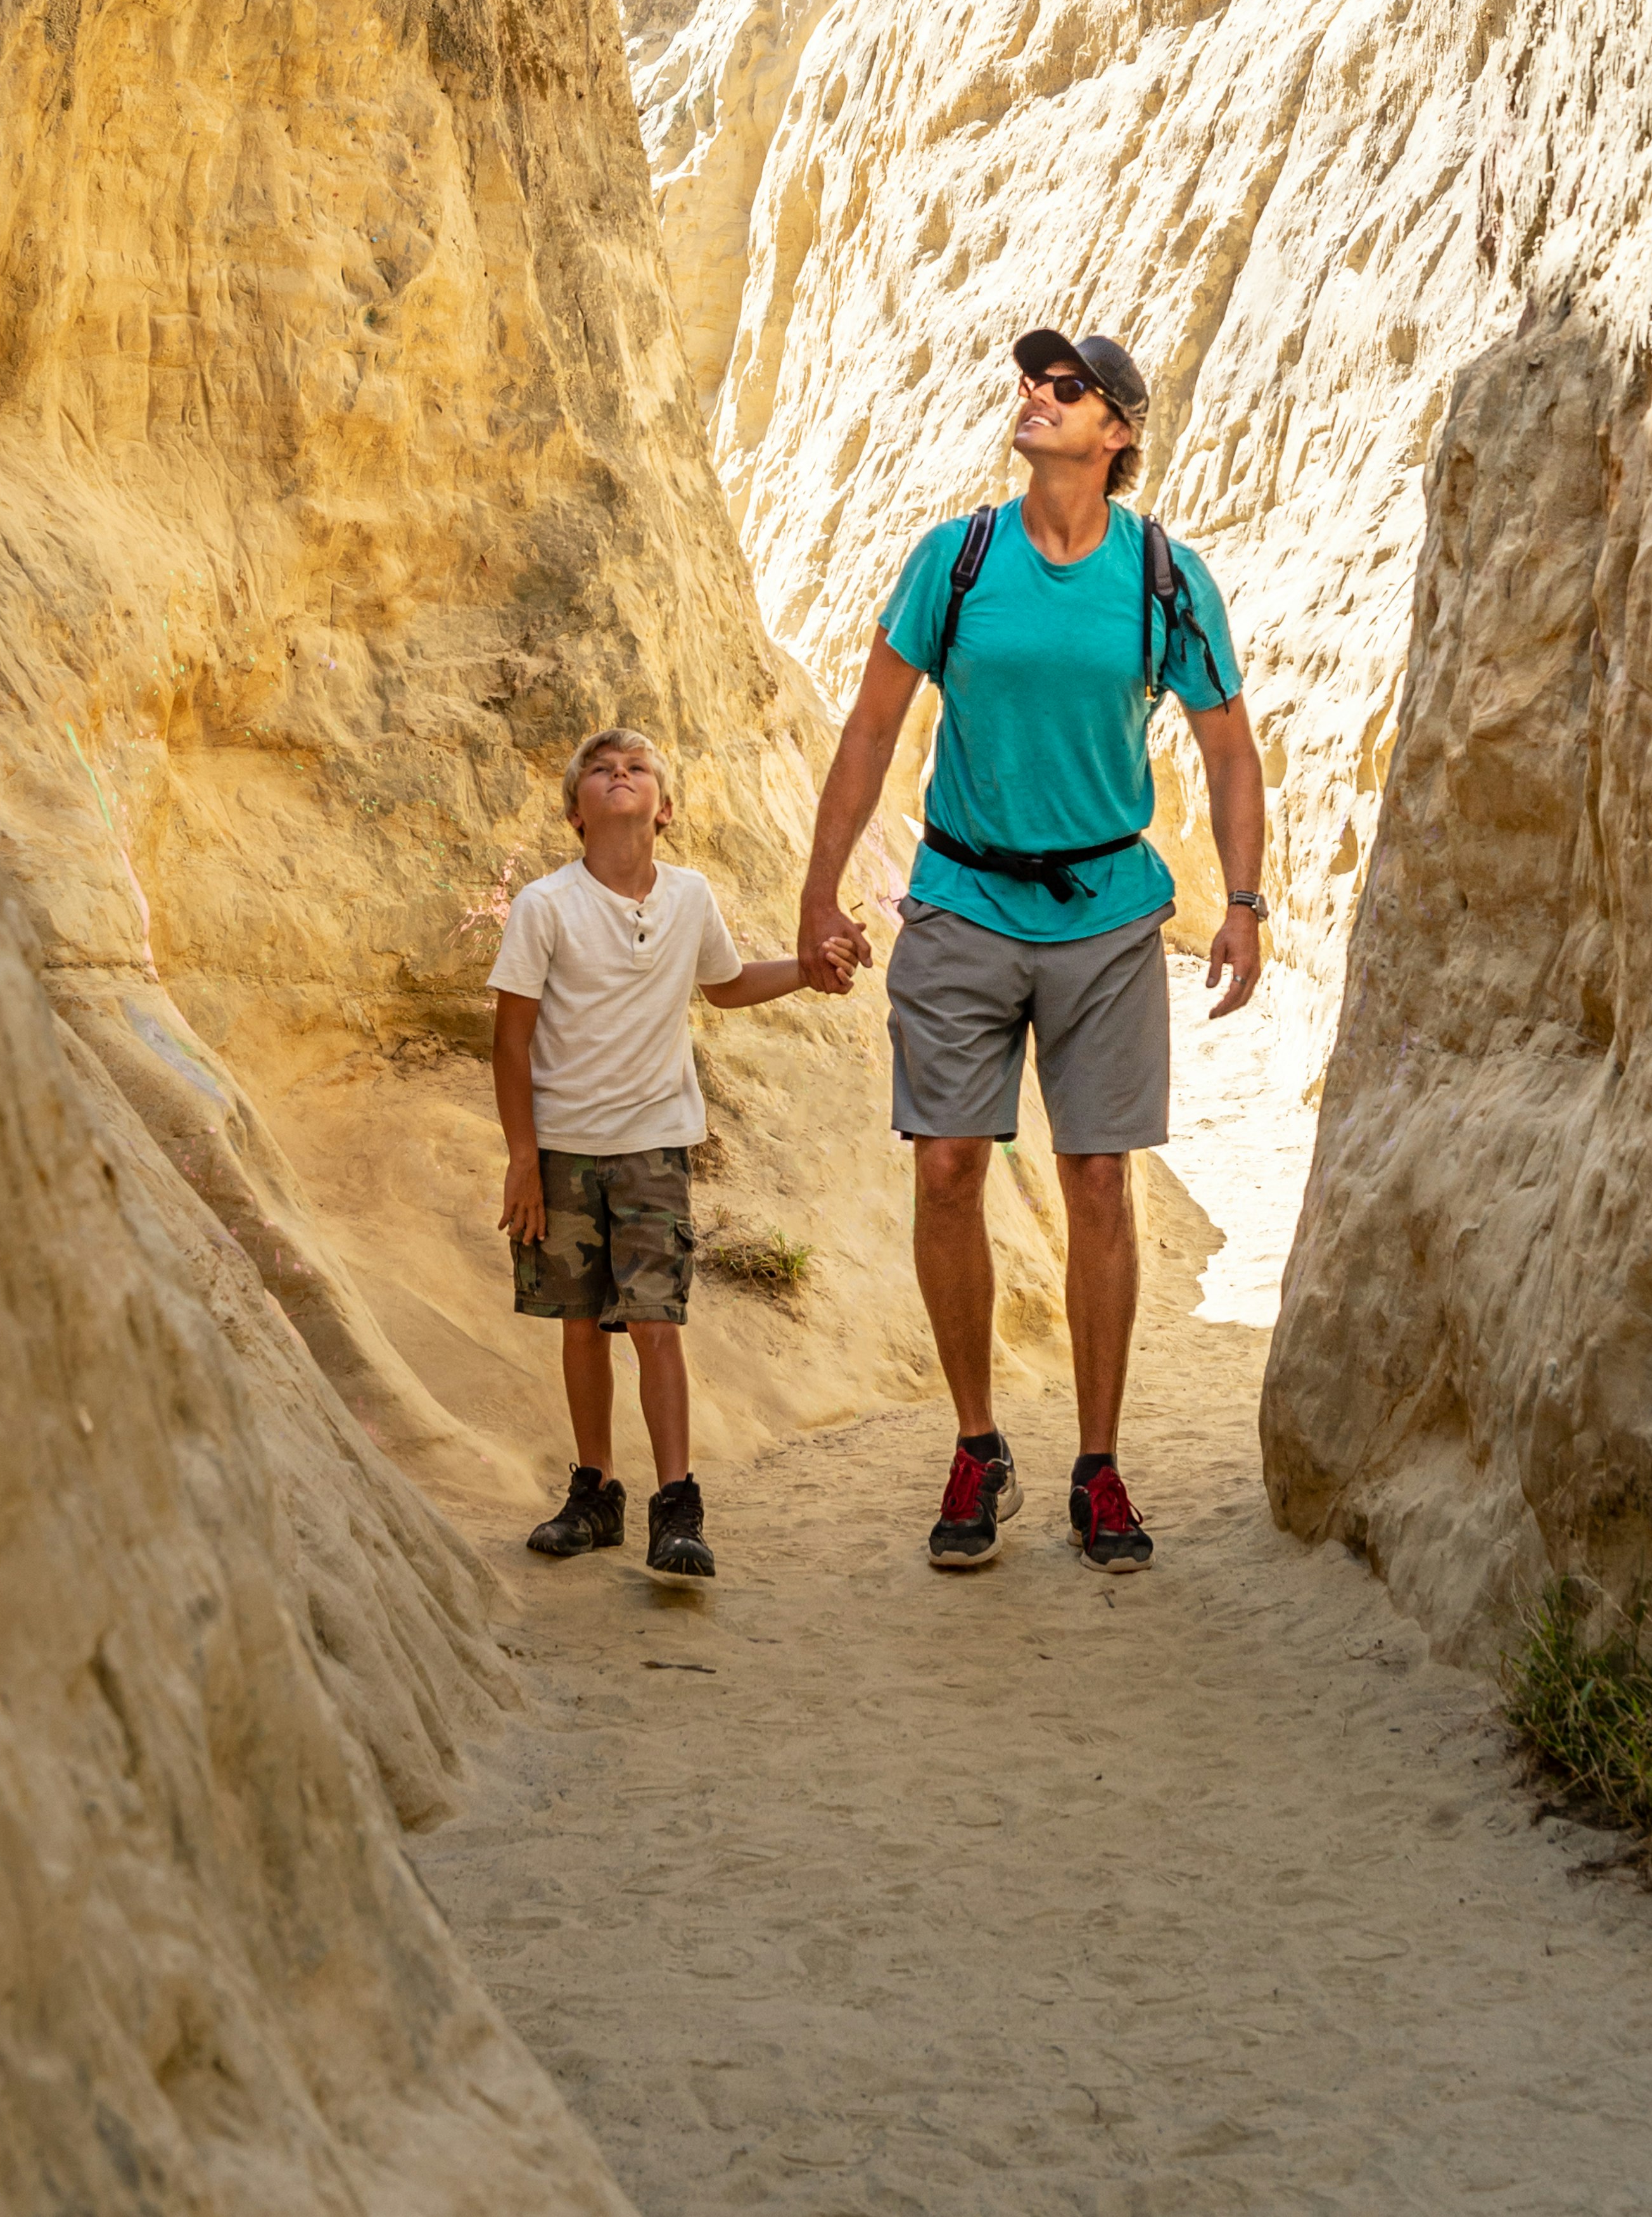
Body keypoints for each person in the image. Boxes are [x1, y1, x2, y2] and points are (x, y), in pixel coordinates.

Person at [799, 326, 1267, 1573]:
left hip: (1110, 912)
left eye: (1066, 388)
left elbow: (1228, 745)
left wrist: (1247, 899)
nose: (1035, 397)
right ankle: (975, 1441)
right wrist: (818, 887)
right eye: (1031, 380)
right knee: (947, 1163)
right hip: (959, 898)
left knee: (1100, 1180)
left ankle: (1099, 1466)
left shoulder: (1166, 574)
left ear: (1116, 431)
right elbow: (870, 727)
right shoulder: (954, 561)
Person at [491, 726, 845, 1579]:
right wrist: (523, 1157)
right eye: (601, 771)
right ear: (575, 811)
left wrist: (806, 968)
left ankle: (677, 1507)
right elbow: (511, 1041)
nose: (619, 775)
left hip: (654, 1144)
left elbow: (722, 985)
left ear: (667, 807)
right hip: (566, 1149)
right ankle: (595, 1491)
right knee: (580, 1323)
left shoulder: (690, 897)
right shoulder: (545, 905)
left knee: (654, 1319)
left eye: (637, 767)